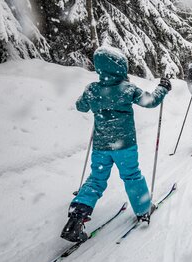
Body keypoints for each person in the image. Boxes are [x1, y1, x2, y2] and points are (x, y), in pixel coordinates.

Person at [61, 45, 172, 243]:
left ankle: (76, 217)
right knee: (131, 175)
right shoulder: (127, 88)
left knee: (96, 179)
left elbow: (80, 106)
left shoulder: (92, 90)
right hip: (125, 145)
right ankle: (143, 209)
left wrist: (93, 100)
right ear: (120, 66)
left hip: (101, 146)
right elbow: (150, 101)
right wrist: (162, 88)